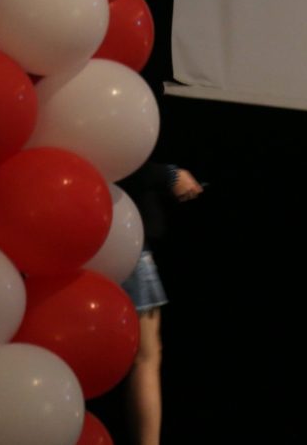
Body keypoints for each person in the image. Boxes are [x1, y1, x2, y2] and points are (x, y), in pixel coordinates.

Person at [118, 162, 204, 445]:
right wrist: (170, 174)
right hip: (125, 243)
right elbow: (121, 163)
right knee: (146, 355)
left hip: (106, 239)